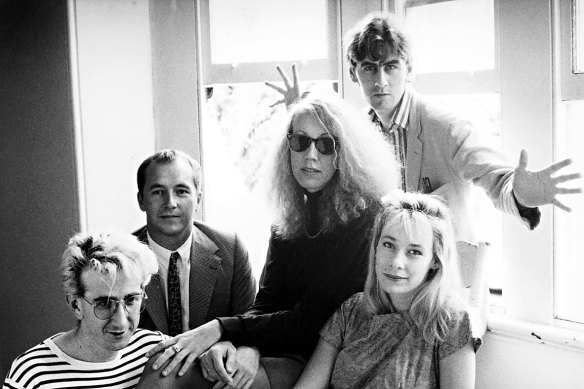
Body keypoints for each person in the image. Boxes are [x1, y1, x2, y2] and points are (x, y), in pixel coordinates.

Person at [266, 12, 581, 267]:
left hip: (448, 280)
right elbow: (321, 181)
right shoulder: (353, 133)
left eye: (391, 67)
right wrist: (296, 114)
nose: (380, 81)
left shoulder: (447, 127)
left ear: (409, 68)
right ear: (353, 73)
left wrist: (521, 194)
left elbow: (497, 179)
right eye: (368, 68)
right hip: (386, 280)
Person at [137, 93, 400, 389]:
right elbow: (269, 300)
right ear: (288, 147)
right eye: (300, 142)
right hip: (282, 350)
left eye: (325, 145)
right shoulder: (291, 216)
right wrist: (246, 347)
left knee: (171, 379)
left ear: (345, 153)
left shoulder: (365, 218)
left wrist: (221, 330)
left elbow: (309, 322)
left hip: (329, 359)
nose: (310, 155)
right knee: (162, 373)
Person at [293, 192, 478, 389]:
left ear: (434, 260)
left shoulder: (451, 322)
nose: (396, 262)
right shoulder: (351, 311)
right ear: (376, 248)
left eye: (414, 252)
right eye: (389, 245)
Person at [2, 230, 166, 389]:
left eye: (131, 300)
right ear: (75, 304)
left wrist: (193, 338)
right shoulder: (33, 375)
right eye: (104, 303)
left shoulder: (157, 350)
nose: (121, 321)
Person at [134, 149, 256, 336]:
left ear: (198, 199)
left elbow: (249, 327)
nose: (170, 203)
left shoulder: (231, 250)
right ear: (141, 200)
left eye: (181, 191)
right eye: (158, 192)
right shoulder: (119, 259)